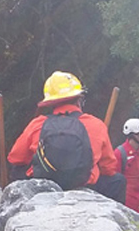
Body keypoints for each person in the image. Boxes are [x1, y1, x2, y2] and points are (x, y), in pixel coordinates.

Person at [7, 71, 125, 203]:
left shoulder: (37, 124)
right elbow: (108, 168)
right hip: (84, 185)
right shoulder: (96, 124)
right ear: (79, 100)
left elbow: (15, 158)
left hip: (43, 187)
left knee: (17, 170)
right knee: (118, 180)